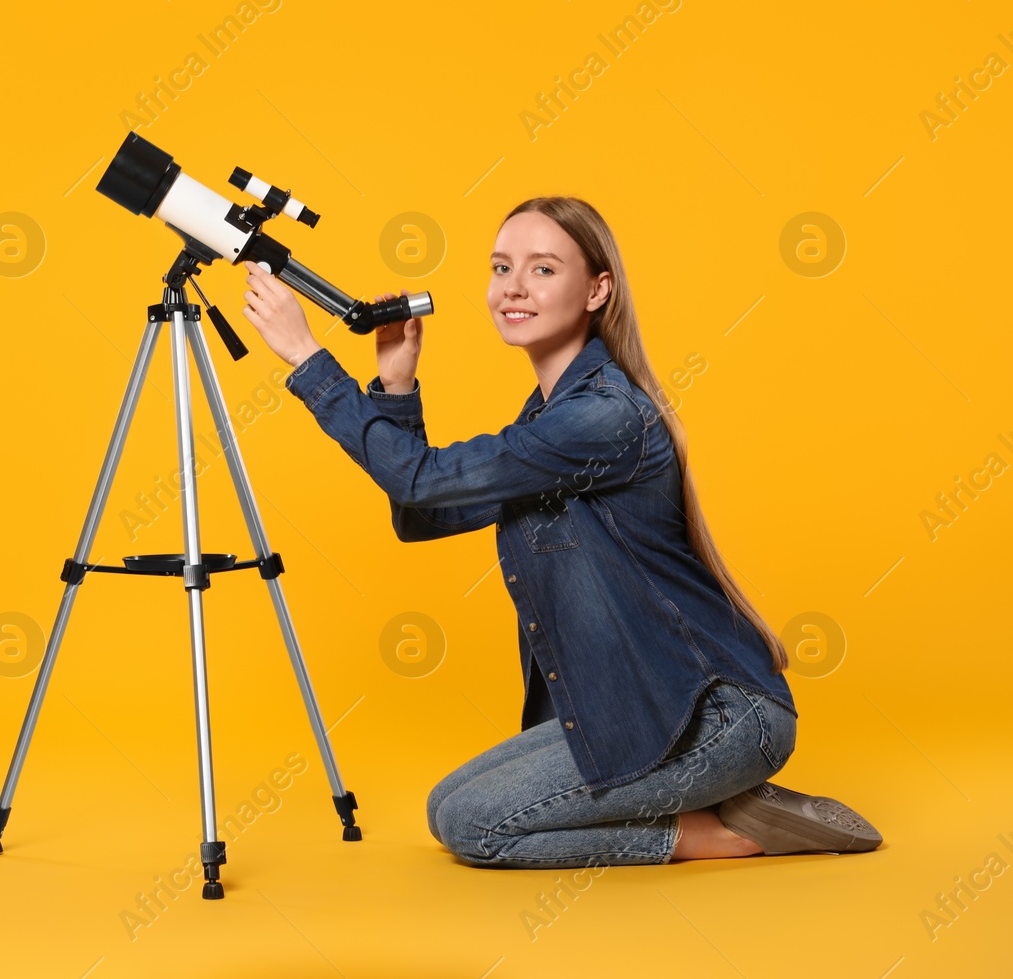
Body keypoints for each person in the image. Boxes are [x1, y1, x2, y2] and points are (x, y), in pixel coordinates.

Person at [238, 196, 882, 868]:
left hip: (716, 719)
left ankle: (721, 831)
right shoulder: (550, 417)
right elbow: (425, 513)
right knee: (444, 804)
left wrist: (309, 361)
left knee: (474, 825)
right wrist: (397, 388)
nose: (512, 287)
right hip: (644, 706)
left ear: (597, 289)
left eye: (542, 269)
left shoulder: (601, 418)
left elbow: (419, 483)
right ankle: (707, 801)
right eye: (501, 266)